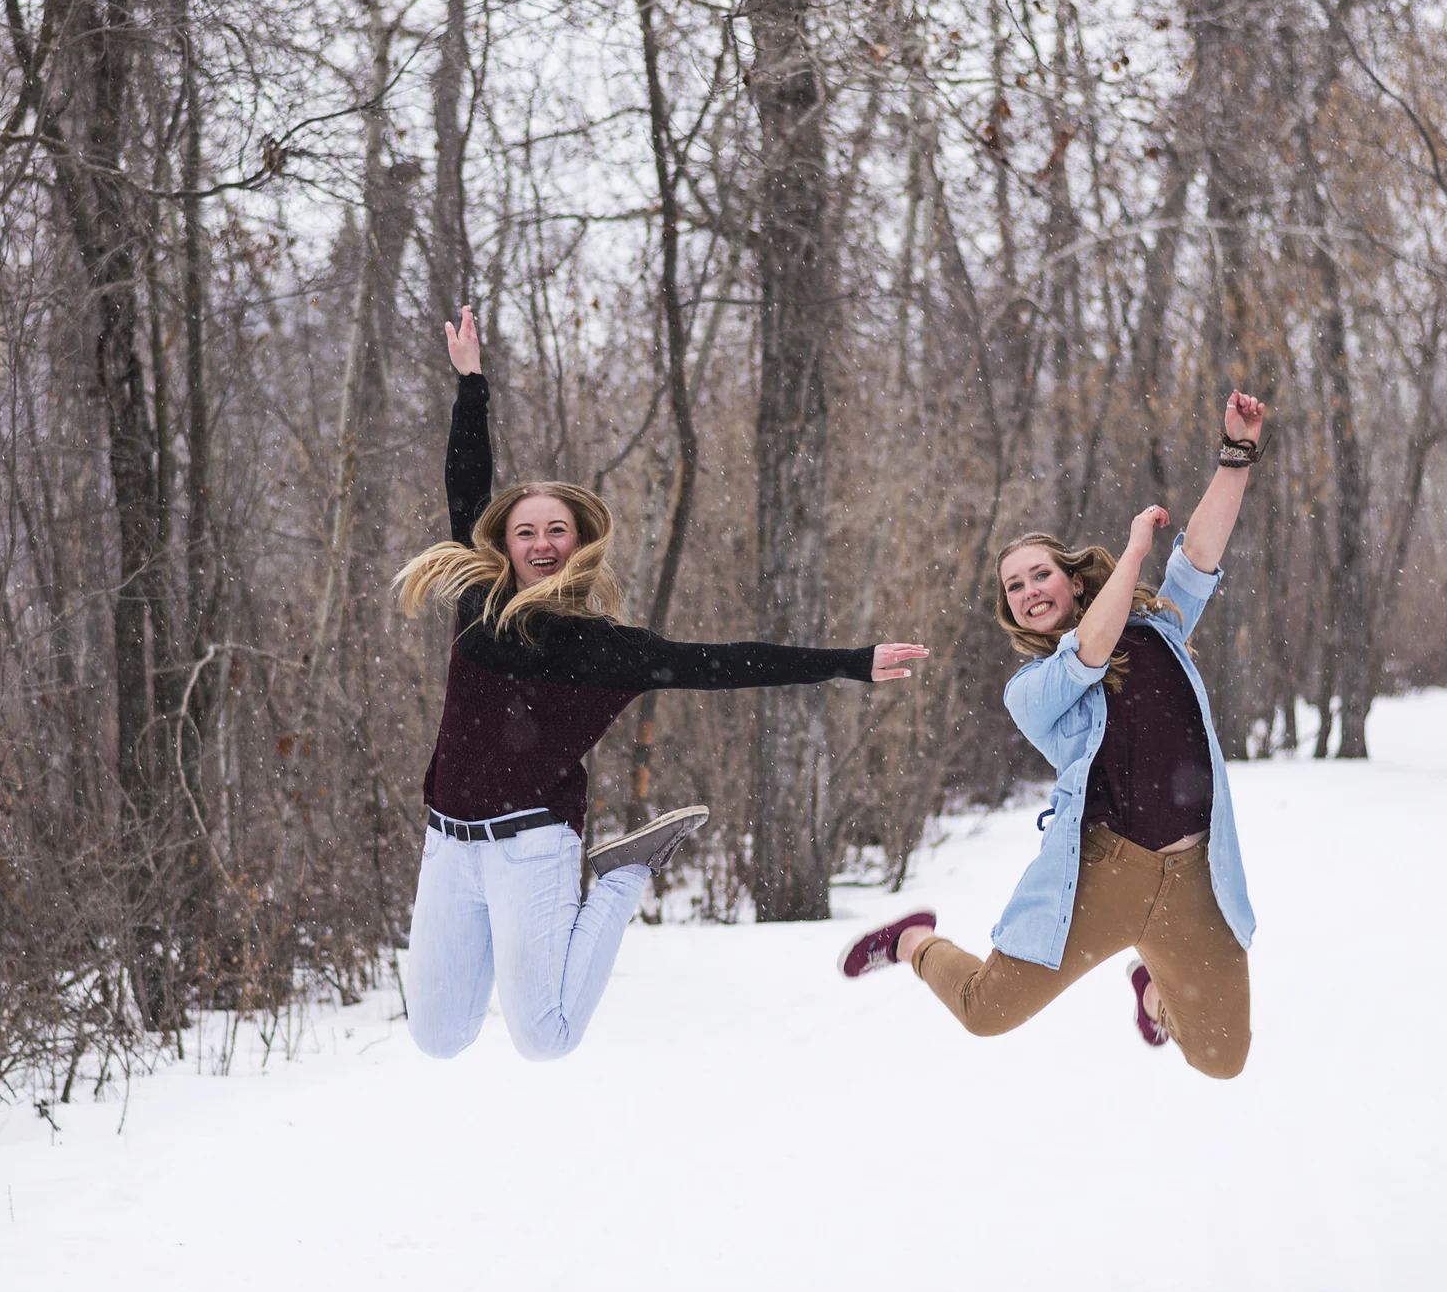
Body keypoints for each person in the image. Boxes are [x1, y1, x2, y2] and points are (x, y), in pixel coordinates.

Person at [395, 307, 929, 1061]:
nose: (541, 543)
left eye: (556, 530)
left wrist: (850, 660)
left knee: (545, 1038)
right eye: (525, 531)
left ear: (579, 543)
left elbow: (731, 664)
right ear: (504, 544)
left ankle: (622, 875)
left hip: (531, 845)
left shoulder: (610, 651)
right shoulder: (479, 600)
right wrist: (471, 383)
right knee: (437, 1036)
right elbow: (466, 482)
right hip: (448, 844)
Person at [838, 391, 1268, 1079]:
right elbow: (1088, 652)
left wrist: (1237, 453)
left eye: (1040, 574)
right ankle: (912, 942)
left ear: (1071, 580)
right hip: (1106, 873)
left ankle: (1152, 989)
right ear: (1011, 610)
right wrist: (1133, 553)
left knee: (1222, 1059)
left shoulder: (1158, 627)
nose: (1029, 590)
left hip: (1195, 874)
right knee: (984, 1012)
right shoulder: (1032, 689)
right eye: (1014, 587)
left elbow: (1200, 554)